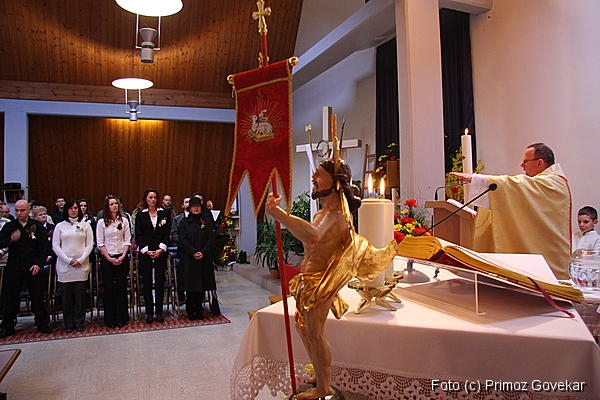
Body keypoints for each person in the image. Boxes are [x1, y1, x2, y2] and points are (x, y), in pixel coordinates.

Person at [265, 157, 395, 399]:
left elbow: (313, 236)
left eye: (319, 174)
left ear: (336, 182)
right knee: (304, 329)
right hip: (307, 280)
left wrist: (279, 214)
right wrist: (280, 216)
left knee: (315, 333)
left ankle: (324, 388)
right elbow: (310, 239)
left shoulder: (339, 217)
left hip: (321, 283)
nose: (313, 178)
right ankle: (319, 374)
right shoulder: (322, 212)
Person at [451, 142, 572, 279]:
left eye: (525, 161)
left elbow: (516, 184)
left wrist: (476, 179)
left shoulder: (552, 183)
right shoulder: (543, 183)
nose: (522, 165)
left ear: (540, 163)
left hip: (551, 257)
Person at [0, 200, 52, 338]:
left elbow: (44, 248)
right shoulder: (10, 226)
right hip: (14, 266)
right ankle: (8, 325)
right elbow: (1, 242)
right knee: (10, 296)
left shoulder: (37, 226)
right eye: (16, 210)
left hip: (32, 266)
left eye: (22, 210)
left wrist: (38, 264)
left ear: (28, 210)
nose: (19, 213)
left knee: (37, 296)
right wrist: (11, 239)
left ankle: (41, 323)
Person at [52, 200, 94, 332]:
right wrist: (68, 260)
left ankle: (79, 322)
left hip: (81, 265)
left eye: (76, 208)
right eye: (71, 208)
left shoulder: (86, 225)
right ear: (66, 210)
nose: (74, 210)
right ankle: (68, 323)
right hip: (65, 265)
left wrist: (81, 259)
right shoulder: (60, 226)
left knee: (80, 296)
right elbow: (56, 246)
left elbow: (90, 244)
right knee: (67, 297)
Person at [135, 189, 171, 324]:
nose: (153, 200)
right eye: (150, 197)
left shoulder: (164, 214)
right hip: (146, 253)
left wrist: (161, 248)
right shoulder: (141, 215)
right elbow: (138, 234)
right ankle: (149, 312)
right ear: (146, 199)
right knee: (147, 282)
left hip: (160, 252)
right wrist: (146, 250)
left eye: (155, 197)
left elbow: (167, 233)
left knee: (160, 281)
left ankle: (159, 311)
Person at [96, 195, 131, 328]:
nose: (114, 206)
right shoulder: (101, 222)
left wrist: (123, 256)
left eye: (116, 203)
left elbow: (127, 240)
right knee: (109, 288)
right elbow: (100, 242)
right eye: (111, 204)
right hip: (107, 258)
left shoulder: (124, 220)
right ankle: (110, 318)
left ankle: (122, 317)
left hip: (122, 257)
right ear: (107, 207)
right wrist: (109, 258)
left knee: (122, 287)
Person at [178, 197, 215, 320]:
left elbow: (211, 238)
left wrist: (203, 252)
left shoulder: (206, 221)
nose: (196, 208)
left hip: (203, 258)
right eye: (193, 206)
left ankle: (199, 310)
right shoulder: (184, 222)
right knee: (190, 286)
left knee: (201, 285)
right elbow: (183, 240)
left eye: (198, 206)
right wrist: (193, 252)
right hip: (189, 258)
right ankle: (190, 310)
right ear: (190, 208)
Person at [170, 195, 191, 305]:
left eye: (190, 202)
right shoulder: (177, 219)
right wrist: (184, 242)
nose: (189, 204)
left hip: (194, 250)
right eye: (186, 202)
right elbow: (174, 234)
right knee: (181, 275)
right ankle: (181, 297)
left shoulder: (198, 218)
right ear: (182, 205)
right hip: (182, 250)